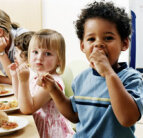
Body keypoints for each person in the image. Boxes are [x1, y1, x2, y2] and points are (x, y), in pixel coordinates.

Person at [42, 1, 143, 137]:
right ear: (82, 46)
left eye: (108, 38)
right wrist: (53, 90)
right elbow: (74, 115)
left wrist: (108, 73)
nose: (98, 44)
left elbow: (127, 118)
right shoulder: (81, 79)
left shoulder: (131, 78)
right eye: (91, 39)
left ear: (124, 43)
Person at [9, 29, 74, 138]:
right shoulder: (36, 75)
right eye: (35, 52)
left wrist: (23, 81)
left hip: (50, 131)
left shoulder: (51, 82)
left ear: (59, 60)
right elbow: (20, 100)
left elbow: (27, 109)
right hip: (37, 124)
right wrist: (15, 77)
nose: (39, 57)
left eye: (47, 53)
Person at [9, 31, 35, 98]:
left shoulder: (34, 74)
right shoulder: (25, 71)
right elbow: (19, 98)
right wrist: (14, 76)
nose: (14, 56)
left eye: (17, 51)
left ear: (25, 54)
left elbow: (25, 104)